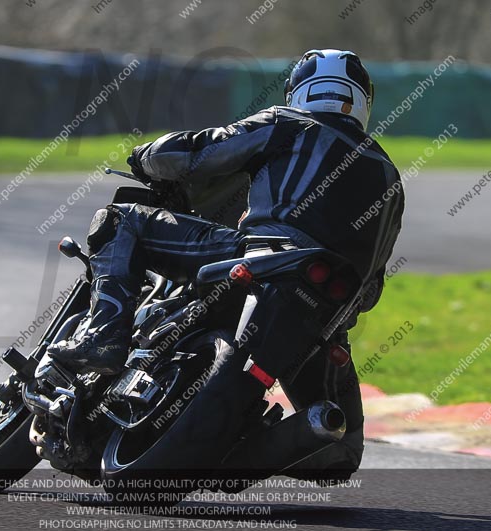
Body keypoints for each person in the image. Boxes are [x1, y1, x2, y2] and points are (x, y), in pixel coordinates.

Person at [49, 48, 404, 475]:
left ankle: (102, 335)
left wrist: (145, 156)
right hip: (329, 308)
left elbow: (201, 152)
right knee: (338, 452)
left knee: (119, 219)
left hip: (264, 259)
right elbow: (373, 288)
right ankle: (241, 447)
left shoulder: (288, 123)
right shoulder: (390, 175)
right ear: (363, 100)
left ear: (299, 91)